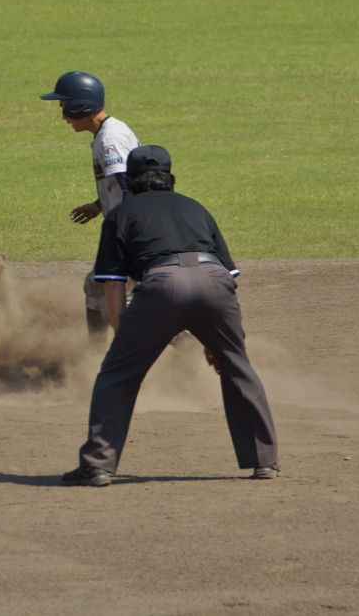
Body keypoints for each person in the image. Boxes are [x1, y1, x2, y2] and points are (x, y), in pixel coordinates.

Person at [61, 145, 280, 486]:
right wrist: (218, 341)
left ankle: (97, 465)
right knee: (238, 367)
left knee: (117, 374)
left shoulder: (121, 213)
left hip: (162, 285)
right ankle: (264, 461)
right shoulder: (195, 207)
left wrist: (122, 333)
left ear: (129, 181)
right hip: (215, 283)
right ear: (169, 177)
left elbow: (114, 284)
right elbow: (228, 275)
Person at [40, 71, 141, 344]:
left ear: (79, 106)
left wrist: (125, 238)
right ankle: (94, 351)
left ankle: (125, 354)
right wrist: (98, 206)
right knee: (95, 287)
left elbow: (130, 188)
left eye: (64, 107)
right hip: (129, 231)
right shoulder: (108, 132)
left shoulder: (110, 140)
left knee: (123, 301)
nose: (63, 116)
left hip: (129, 235)